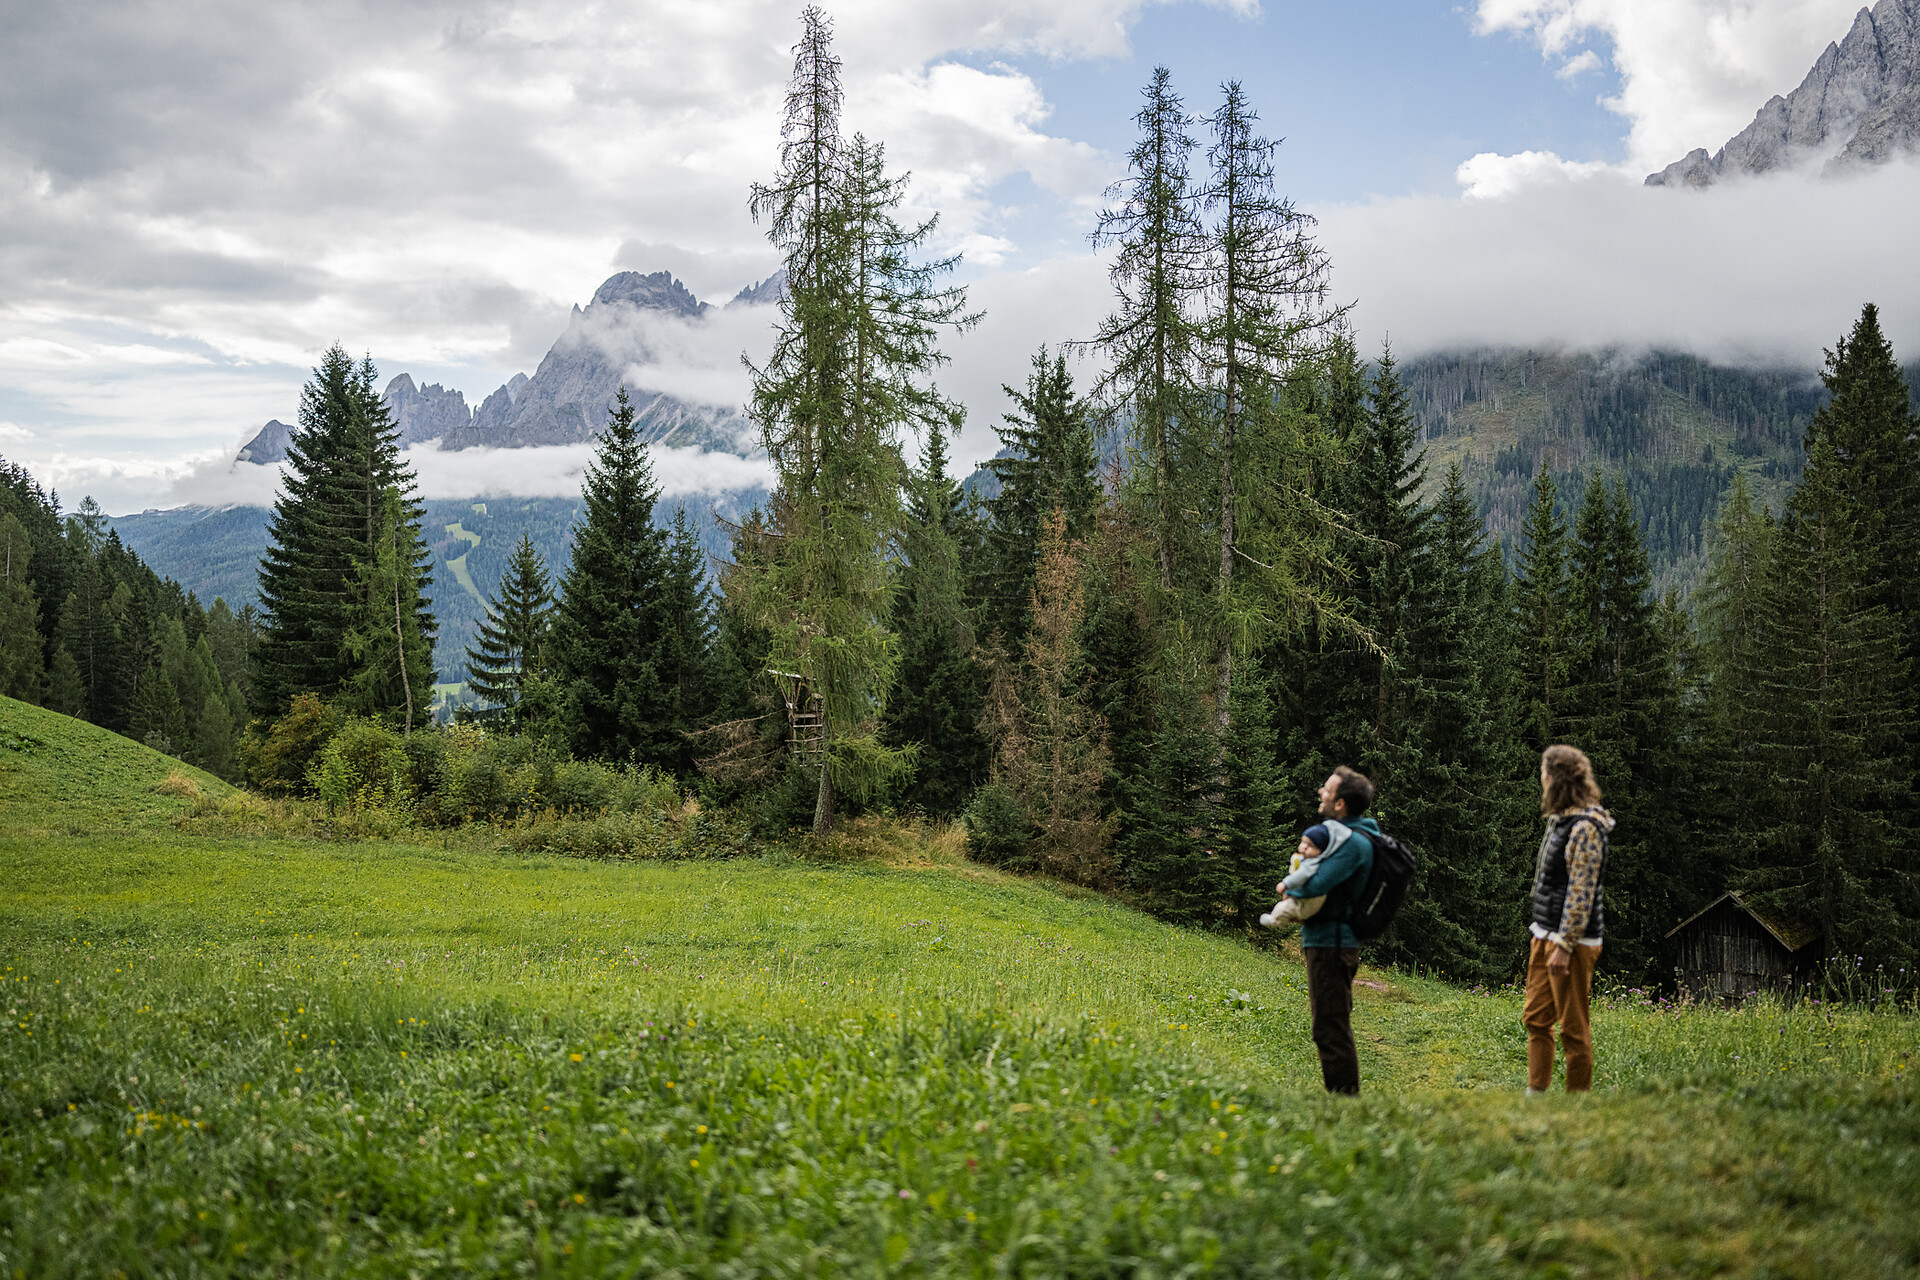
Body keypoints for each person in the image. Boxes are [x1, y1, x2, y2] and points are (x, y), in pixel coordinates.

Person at [1523, 744, 1613, 1094]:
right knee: (1536, 1018)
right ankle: (1537, 1096)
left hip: (1570, 943)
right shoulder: (1561, 819)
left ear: (1555, 779)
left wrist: (1564, 943)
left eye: (1544, 773)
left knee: (1572, 1029)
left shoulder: (1587, 827)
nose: (1541, 780)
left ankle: (1578, 1106)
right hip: (1544, 932)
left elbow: (1582, 892)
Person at [1287, 766, 1379, 1094]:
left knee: (1330, 1026)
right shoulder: (1345, 838)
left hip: (1333, 943)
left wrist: (1289, 888)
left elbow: (1319, 883)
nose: (1320, 793)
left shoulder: (1353, 843)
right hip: (1326, 941)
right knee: (1328, 1022)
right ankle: (1343, 1098)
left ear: (1340, 803)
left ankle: (1345, 1102)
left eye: (1327, 789)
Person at [1258, 819, 1351, 929]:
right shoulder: (1307, 861)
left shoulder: (1312, 864)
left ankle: (1276, 921)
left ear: (1321, 852)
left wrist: (1285, 884)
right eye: (1303, 842)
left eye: (1311, 845)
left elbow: (1300, 876)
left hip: (1304, 904)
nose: (1304, 847)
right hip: (1311, 904)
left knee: (1282, 908)